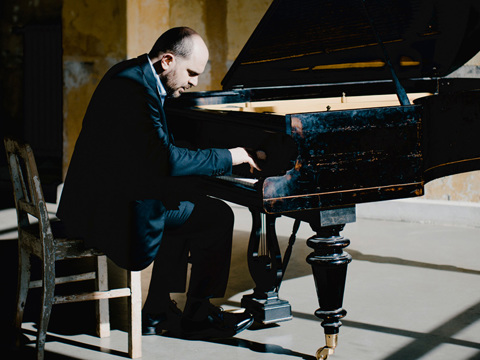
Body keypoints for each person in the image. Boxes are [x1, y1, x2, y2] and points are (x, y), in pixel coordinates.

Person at [56, 27, 260, 339]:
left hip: (100, 197)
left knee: (180, 201)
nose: (194, 82)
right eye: (191, 72)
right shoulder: (134, 89)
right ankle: (198, 313)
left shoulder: (131, 73)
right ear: (167, 60)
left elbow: (152, 150)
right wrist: (228, 156)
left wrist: (196, 157)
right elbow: (167, 160)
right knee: (217, 216)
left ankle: (156, 310)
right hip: (108, 212)